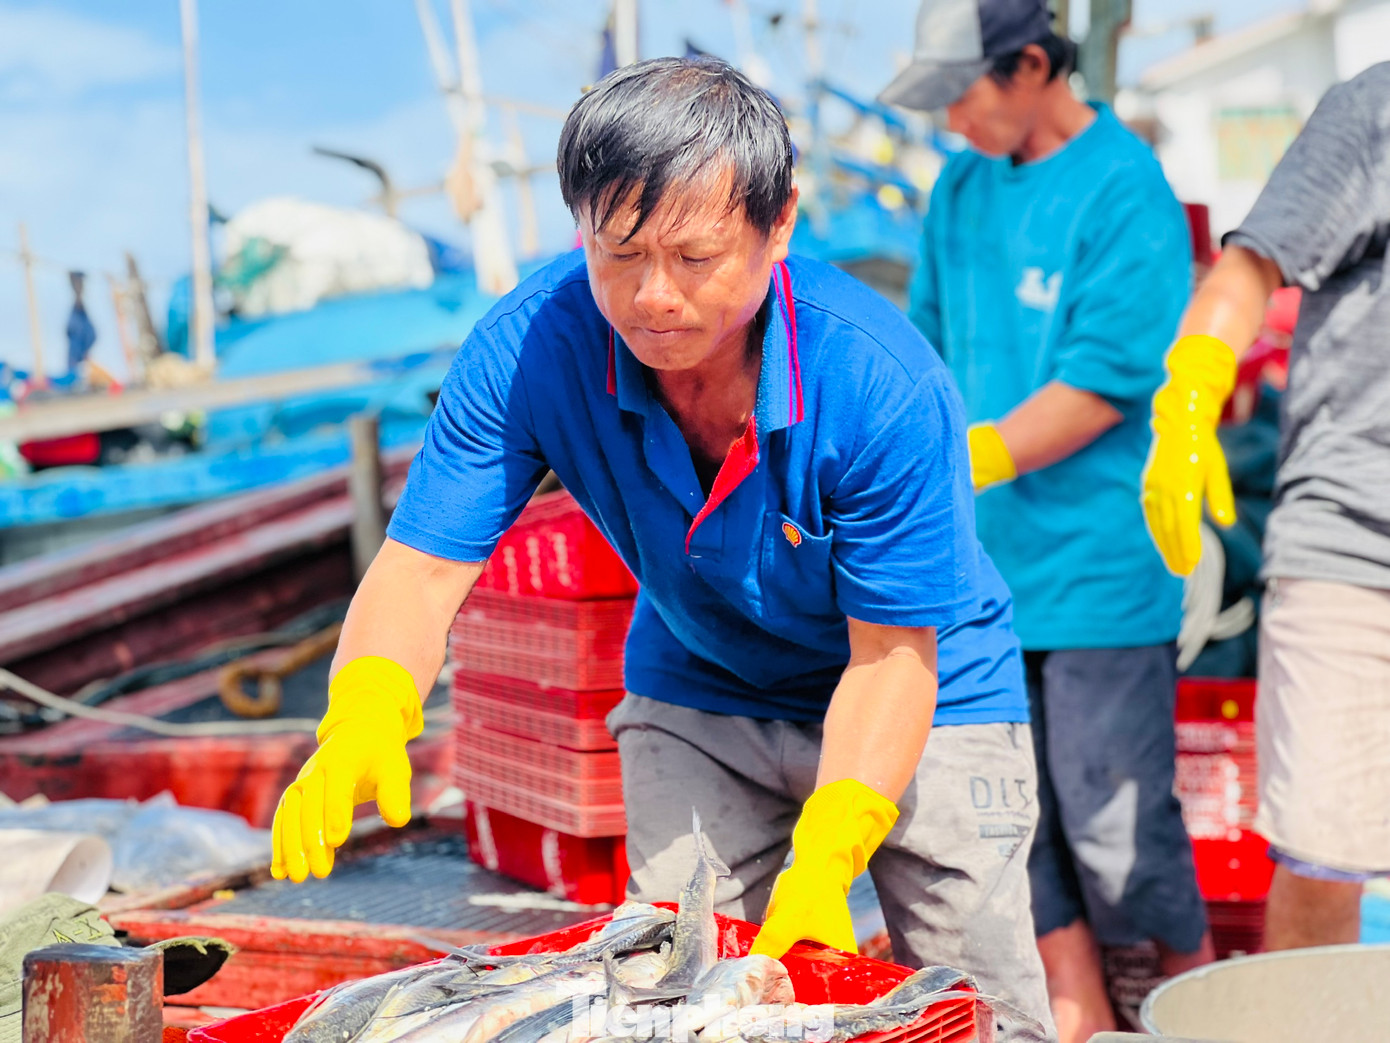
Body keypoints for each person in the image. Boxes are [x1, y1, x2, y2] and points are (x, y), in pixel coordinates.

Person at [269, 57, 1055, 1041]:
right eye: (619, 255)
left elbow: (891, 656)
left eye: (694, 258)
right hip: (702, 687)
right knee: (667, 995)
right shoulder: (528, 347)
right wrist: (365, 703)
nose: (654, 299)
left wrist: (828, 853)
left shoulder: (882, 381)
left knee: (973, 1002)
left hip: (927, 694)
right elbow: (423, 568)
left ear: (779, 226)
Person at [879, 1, 1212, 1038]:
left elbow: (1107, 380)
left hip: (1098, 559)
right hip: (977, 565)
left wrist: (976, 454)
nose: (947, 122)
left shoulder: (1124, 187)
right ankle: (1076, 1004)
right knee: (1004, 810)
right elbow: (923, 345)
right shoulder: (960, 185)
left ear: (1031, 64)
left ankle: (1198, 991)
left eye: (961, 94)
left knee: (1118, 823)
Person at [1142, 61, 1390, 953]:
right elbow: (1245, 272)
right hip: (1352, 554)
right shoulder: (1375, 108)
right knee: (1326, 854)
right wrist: (1192, 393)